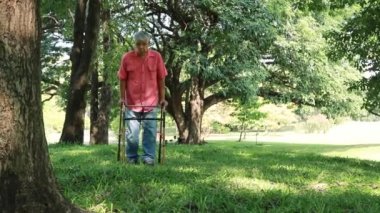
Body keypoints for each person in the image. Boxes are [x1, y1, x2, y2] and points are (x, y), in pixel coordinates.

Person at [117, 31, 168, 165]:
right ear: (134, 44)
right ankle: (132, 157)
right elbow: (122, 79)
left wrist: (162, 98)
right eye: (138, 44)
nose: (141, 47)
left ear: (148, 44)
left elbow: (161, 79)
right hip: (132, 103)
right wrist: (122, 98)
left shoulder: (156, 57)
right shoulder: (127, 58)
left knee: (150, 133)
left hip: (151, 103)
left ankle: (148, 157)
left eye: (144, 44)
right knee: (132, 135)